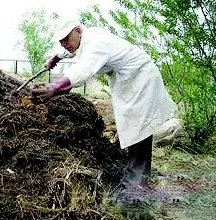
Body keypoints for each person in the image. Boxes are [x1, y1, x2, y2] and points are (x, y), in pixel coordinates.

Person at [31, 18, 181, 186]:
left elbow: (83, 69)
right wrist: (55, 58)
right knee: (132, 125)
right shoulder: (82, 40)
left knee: (139, 126)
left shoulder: (96, 43)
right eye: (60, 41)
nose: (64, 43)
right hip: (130, 79)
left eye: (66, 38)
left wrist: (55, 87)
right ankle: (133, 172)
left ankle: (137, 182)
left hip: (141, 76)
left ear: (78, 30)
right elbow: (69, 50)